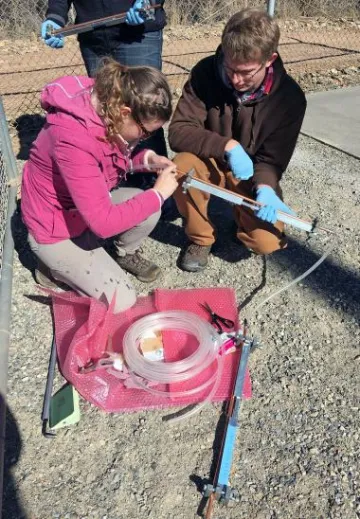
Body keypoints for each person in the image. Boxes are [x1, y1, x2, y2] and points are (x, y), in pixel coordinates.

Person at [20, 58, 178, 313]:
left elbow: (111, 159)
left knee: (149, 209)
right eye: (145, 132)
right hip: (55, 229)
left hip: (82, 211)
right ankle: (50, 266)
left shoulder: (108, 106)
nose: (145, 137)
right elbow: (103, 223)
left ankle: (121, 254)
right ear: (125, 113)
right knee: (122, 301)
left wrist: (146, 160)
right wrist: (159, 193)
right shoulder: (73, 139)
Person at [168, 8, 307, 272]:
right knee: (181, 166)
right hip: (209, 161)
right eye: (229, 68)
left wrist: (265, 187)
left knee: (266, 243)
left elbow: (272, 159)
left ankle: (243, 221)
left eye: (246, 72)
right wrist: (226, 146)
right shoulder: (205, 73)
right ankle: (200, 238)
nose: (235, 79)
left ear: (269, 59)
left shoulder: (290, 98)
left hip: (250, 173)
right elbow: (178, 130)